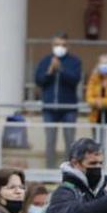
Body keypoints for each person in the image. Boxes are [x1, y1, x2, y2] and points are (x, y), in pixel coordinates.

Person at [35, 33, 83, 169]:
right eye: (57, 45)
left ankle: (70, 171)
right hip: (49, 108)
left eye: (63, 45)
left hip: (68, 108)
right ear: (52, 45)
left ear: (68, 46)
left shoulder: (74, 61)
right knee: (50, 141)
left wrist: (61, 69)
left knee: (70, 142)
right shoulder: (45, 61)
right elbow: (39, 80)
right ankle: (49, 170)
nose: (60, 47)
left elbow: (75, 80)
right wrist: (50, 71)